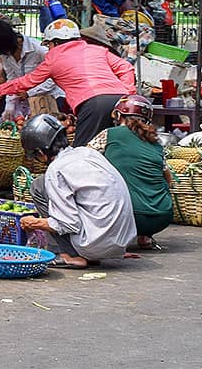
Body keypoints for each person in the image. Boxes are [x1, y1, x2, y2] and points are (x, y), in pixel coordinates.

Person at [0, 18, 137, 146]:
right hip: (121, 101)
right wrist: (127, 94)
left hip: (93, 104)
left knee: (83, 152)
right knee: (114, 145)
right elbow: (126, 68)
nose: (49, 48)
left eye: (49, 44)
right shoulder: (97, 49)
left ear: (54, 42)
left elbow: (27, 82)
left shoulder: (53, 57)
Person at [19, 113, 136, 267]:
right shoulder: (89, 153)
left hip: (94, 244)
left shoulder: (56, 170)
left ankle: (68, 255)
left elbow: (67, 224)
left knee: (38, 186)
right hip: (122, 241)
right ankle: (85, 252)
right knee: (45, 185)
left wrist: (35, 223)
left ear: (41, 153)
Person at [88, 95, 173, 250]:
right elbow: (167, 177)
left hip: (128, 216)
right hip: (163, 215)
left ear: (119, 115)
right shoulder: (156, 144)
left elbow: (83, 158)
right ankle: (145, 236)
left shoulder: (110, 134)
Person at [0, 19, 65, 112]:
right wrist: (9, 106)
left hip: (51, 99)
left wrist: (29, 92)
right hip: (27, 104)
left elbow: (53, 77)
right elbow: (12, 79)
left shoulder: (39, 50)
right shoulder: (5, 54)